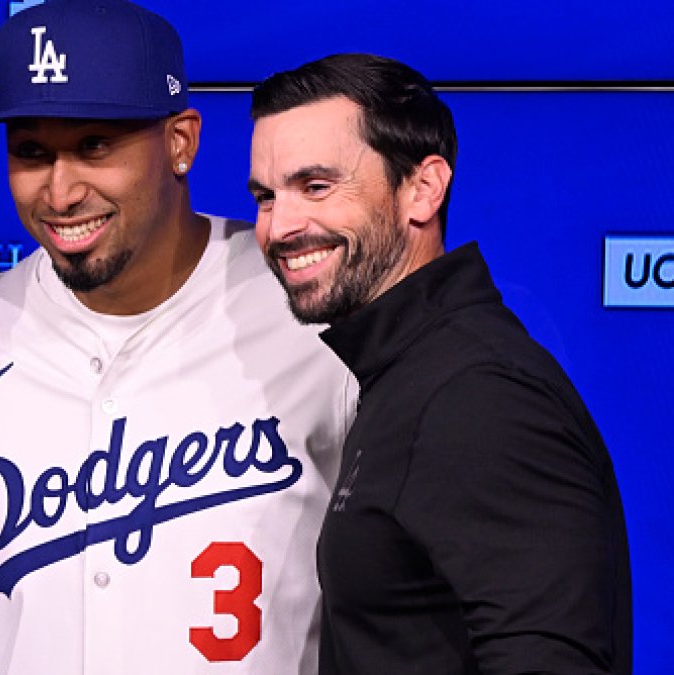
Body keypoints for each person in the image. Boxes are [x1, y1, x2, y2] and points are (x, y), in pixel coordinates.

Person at [0, 2, 356, 673]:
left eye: (95, 146)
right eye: (32, 152)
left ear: (181, 141)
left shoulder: (310, 306)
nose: (60, 191)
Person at [248, 53, 632, 674]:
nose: (281, 226)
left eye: (316, 187)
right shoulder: (409, 373)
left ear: (423, 188)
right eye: (267, 196)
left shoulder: (477, 394)